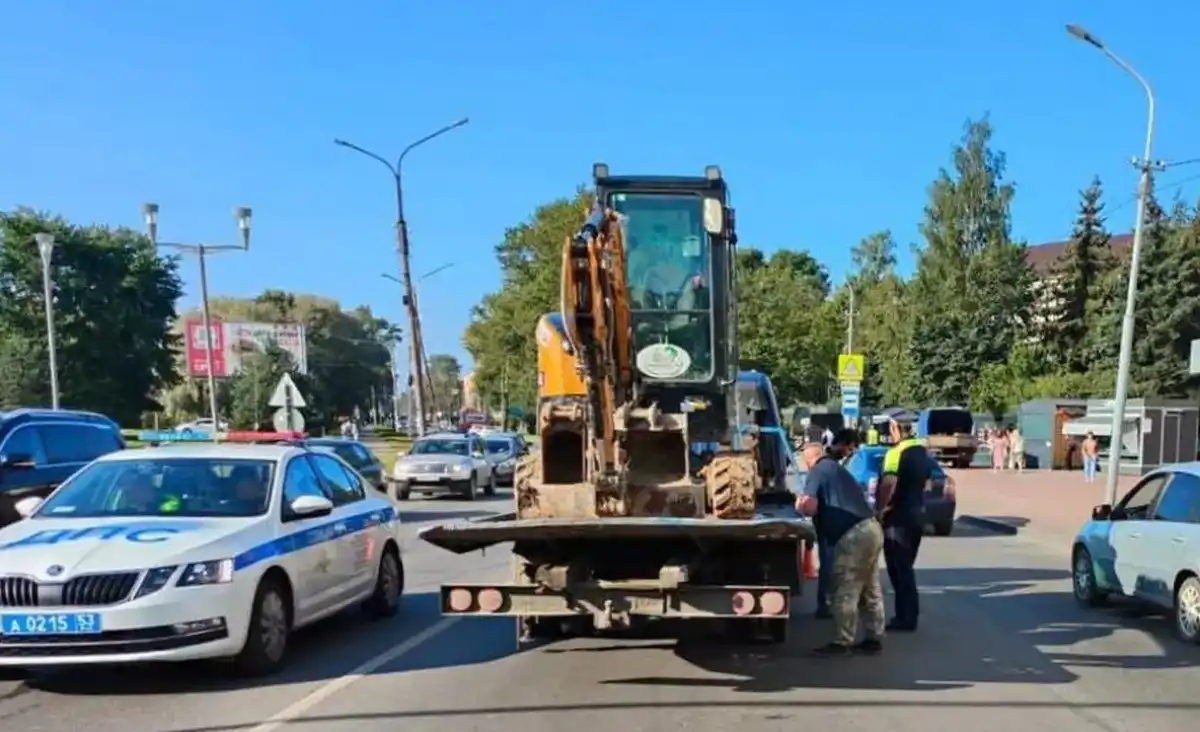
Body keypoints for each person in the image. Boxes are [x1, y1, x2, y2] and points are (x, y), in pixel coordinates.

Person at [796, 432, 885, 656]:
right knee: (870, 587)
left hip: (852, 535)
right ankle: (874, 637)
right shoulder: (836, 468)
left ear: (810, 458)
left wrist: (799, 504)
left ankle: (843, 641)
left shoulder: (817, 470)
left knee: (845, 587)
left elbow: (810, 506)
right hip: (871, 527)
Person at [875, 418, 929, 632]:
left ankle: (905, 617)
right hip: (916, 515)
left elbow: (889, 483)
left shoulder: (895, 453)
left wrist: (880, 510)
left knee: (898, 568)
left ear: (896, 428)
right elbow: (928, 482)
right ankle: (909, 614)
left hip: (897, 518)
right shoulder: (921, 451)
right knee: (906, 566)